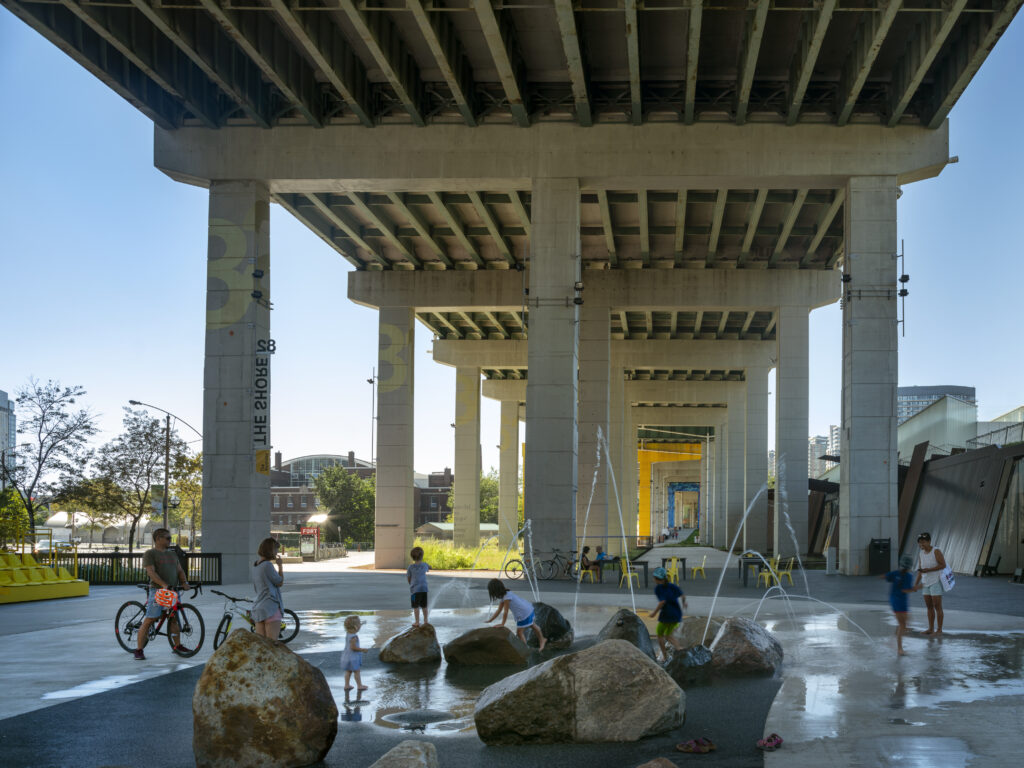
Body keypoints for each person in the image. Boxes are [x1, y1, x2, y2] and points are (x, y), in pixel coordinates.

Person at [135, 527, 190, 660]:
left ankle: (177, 646)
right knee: (150, 619)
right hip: (158, 591)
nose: (170, 540)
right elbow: (151, 573)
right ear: (158, 539)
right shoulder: (150, 553)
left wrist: (184, 582)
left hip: (172, 591)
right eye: (168, 538)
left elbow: (179, 570)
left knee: (174, 619)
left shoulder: (172, 554)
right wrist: (164, 585)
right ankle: (138, 650)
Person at [485, 579, 546, 651]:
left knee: (519, 632)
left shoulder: (506, 597)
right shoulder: (505, 594)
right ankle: (542, 639)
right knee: (532, 625)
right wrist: (490, 620)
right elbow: (499, 610)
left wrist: (502, 624)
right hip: (527, 610)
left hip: (523, 614)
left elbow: (505, 612)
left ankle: (525, 649)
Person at [649, 566, 687, 662]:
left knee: (659, 634)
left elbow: (662, 602)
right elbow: (682, 595)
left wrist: (654, 613)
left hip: (667, 614)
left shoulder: (658, 588)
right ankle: (680, 649)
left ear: (657, 579)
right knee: (668, 635)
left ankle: (665, 657)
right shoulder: (672, 586)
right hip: (676, 614)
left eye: (654, 577)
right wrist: (684, 603)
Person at [913, 532, 947, 635]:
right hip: (925, 582)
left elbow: (943, 565)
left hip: (935, 581)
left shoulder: (935, 551)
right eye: (919, 543)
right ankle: (930, 628)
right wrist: (916, 584)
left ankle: (939, 629)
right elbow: (920, 570)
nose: (921, 545)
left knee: (937, 606)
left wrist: (929, 570)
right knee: (929, 606)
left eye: (923, 542)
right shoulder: (921, 553)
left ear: (929, 541)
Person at [252, 537, 285, 640]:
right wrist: (280, 566)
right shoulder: (267, 565)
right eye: (276, 549)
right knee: (271, 644)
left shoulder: (255, 565)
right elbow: (279, 582)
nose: (276, 552)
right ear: (270, 550)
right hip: (270, 608)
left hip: (259, 608)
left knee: (262, 646)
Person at [885, 554, 916, 655]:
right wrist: (917, 588)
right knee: (902, 625)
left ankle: (893, 641)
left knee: (905, 623)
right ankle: (899, 649)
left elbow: (887, 577)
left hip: (898, 602)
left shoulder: (896, 573)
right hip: (900, 603)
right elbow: (905, 589)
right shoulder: (908, 576)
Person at [340, 615, 369, 693]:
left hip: (347, 656)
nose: (360, 626)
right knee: (357, 671)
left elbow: (355, 626)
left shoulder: (348, 634)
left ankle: (346, 685)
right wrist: (362, 649)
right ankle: (360, 686)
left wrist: (362, 623)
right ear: (356, 627)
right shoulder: (354, 637)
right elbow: (353, 647)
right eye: (359, 624)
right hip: (353, 657)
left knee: (348, 671)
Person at [407, 546, 430, 627]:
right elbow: (429, 568)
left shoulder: (410, 567)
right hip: (424, 589)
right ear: (422, 556)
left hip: (414, 590)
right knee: (424, 606)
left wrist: (411, 585)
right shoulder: (424, 565)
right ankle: (426, 621)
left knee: (415, 606)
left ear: (412, 557)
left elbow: (409, 578)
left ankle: (417, 622)